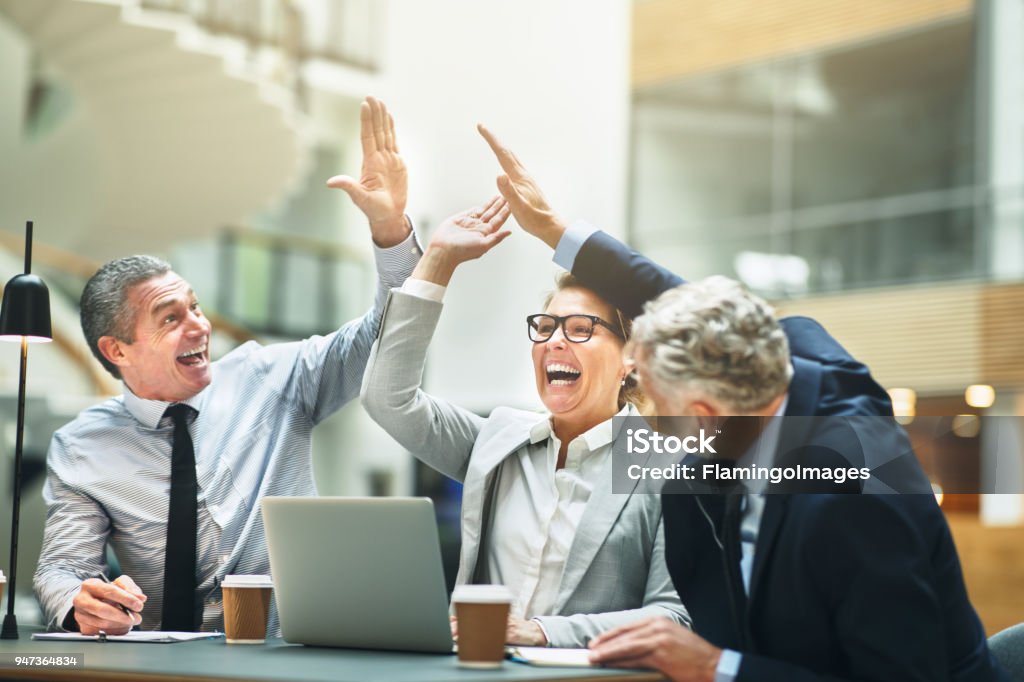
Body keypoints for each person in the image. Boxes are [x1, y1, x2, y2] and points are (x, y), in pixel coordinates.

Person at [478, 128, 1009, 681]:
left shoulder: (854, 500)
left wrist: (719, 668)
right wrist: (556, 232)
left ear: (704, 415)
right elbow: (689, 305)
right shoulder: (782, 352)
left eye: (657, 411)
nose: (648, 427)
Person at [34, 96, 420, 635]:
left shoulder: (274, 378)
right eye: (170, 319)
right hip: (159, 663)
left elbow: (386, 337)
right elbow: (62, 566)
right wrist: (80, 600)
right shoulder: (82, 447)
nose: (199, 326)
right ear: (116, 351)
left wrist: (391, 231)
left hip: (289, 653)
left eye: (195, 306)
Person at [359, 197, 689, 648]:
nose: (554, 341)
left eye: (579, 328)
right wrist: (437, 263)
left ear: (631, 359)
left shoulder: (672, 470)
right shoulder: (498, 440)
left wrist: (540, 634)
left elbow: (673, 616)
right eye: (546, 326)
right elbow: (386, 398)